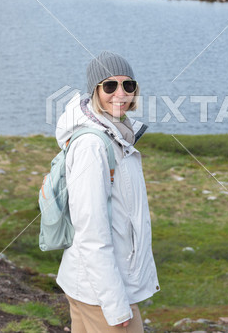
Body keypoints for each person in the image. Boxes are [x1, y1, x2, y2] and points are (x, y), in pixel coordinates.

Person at [55, 51, 160, 332]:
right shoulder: (93, 145)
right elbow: (91, 232)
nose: (120, 93)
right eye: (109, 86)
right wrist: (115, 303)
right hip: (102, 293)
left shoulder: (117, 136)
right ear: (94, 91)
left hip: (93, 286)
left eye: (128, 85)